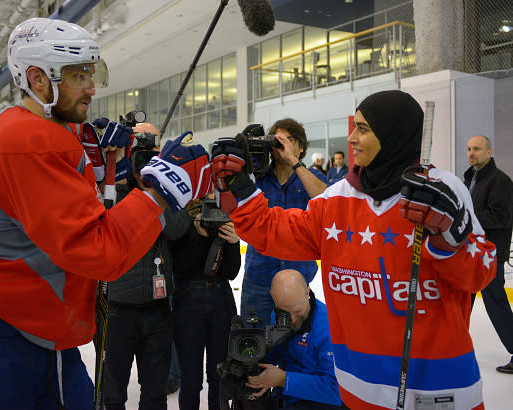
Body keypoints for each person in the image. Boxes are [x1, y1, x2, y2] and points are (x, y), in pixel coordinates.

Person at [0, 17, 211, 410]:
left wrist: (103, 173)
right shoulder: (29, 140)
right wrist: (158, 194)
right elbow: (98, 252)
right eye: (79, 75)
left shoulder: (29, 126)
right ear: (39, 79)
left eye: (93, 73)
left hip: (16, 326)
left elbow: (55, 217)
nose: (92, 87)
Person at [212, 90, 496, 409]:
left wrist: (448, 238)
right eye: (354, 126)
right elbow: (273, 231)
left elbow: (480, 275)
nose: (351, 137)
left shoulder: (440, 190)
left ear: (393, 132)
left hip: (436, 388)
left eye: (363, 128)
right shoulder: (338, 197)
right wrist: (242, 190)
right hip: (358, 388)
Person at [97, 122, 190, 410]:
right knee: (112, 394)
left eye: (152, 155)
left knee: (154, 395)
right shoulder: (113, 186)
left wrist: (157, 188)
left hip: (157, 310)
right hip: (115, 310)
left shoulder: (164, 189)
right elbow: (103, 227)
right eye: (140, 154)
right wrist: (120, 182)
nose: (145, 162)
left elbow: (177, 230)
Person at [240, 118, 327, 328]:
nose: (283, 145)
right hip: (259, 279)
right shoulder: (256, 181)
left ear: (302, 146)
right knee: (254, 345)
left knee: (295, 350)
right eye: (278, 140)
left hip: (297, 282)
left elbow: (327, 203)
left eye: (289, 139)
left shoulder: (311, 177)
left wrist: (294, 162)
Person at [169, 196, 241, 410]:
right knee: (190, 378)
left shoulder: (225, 222)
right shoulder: (181, 220)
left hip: (221, 298)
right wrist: (198, 236)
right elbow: (180, 269)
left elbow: (231, 272)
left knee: (219, 375)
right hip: (189, 300)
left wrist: (234, 242)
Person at [246, 269, 344, 410]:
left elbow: (336, 390)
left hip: (319, 402)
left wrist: (284, 379)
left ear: (307, 293)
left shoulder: (329, 327)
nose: (291, 320)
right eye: (284, 313)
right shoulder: (277, 316)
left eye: (298, 311)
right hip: (285, 396)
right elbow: (271, 356)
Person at [464, 135, 513, 374]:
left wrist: (468, 219)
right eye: (469, 149)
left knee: (495, 302)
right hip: (471, 252)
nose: (471, 153)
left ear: (489, 152)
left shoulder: (500, 181)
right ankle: (454, 348)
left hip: (490, 254)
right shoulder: (470, 178)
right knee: (463, 300)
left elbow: (502, 218)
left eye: (477, 149)